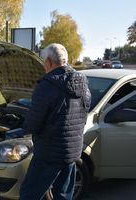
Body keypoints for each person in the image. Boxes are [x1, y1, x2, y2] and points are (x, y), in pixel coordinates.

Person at [20, 43, 91, 200]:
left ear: (49, 62)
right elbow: (83, 116)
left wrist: (22, 128)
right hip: (72, 154)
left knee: (29, 194)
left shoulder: (46, 86)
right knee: (64, 196)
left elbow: (33, 124)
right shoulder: (84, 84)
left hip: (48, 154)